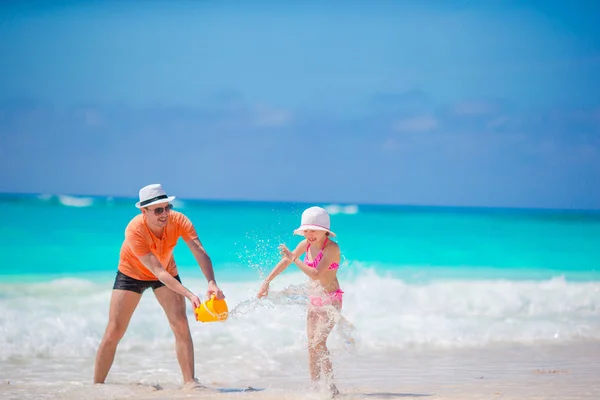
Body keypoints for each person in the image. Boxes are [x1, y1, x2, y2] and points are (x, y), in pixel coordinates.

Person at [93, 183, 224, 388]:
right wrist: (190, 295)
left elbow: (199, 251)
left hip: (167, 271)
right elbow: (157, 272)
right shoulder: (134, 229)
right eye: (158, 210)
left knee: (180, 323)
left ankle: (190, 382)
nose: (165, 214)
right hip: (132, 274)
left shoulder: (179, 220)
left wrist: (211, 282)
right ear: (144, 211)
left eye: (167, 207)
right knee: (114, 330)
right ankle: (96, 386)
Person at [257, 206, 343, 396]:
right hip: (314, 299)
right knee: (311, 345)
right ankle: (314, 388)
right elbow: (287, 261)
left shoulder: (332, 248)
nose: (309, 234)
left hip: (330, 300)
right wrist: (267, 281)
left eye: (313, 230)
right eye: (306, 230)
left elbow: (316, 274)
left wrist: (294, 259)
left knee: (319, 343)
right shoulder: (306, 244)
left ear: (325, 231)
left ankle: (331, 388)